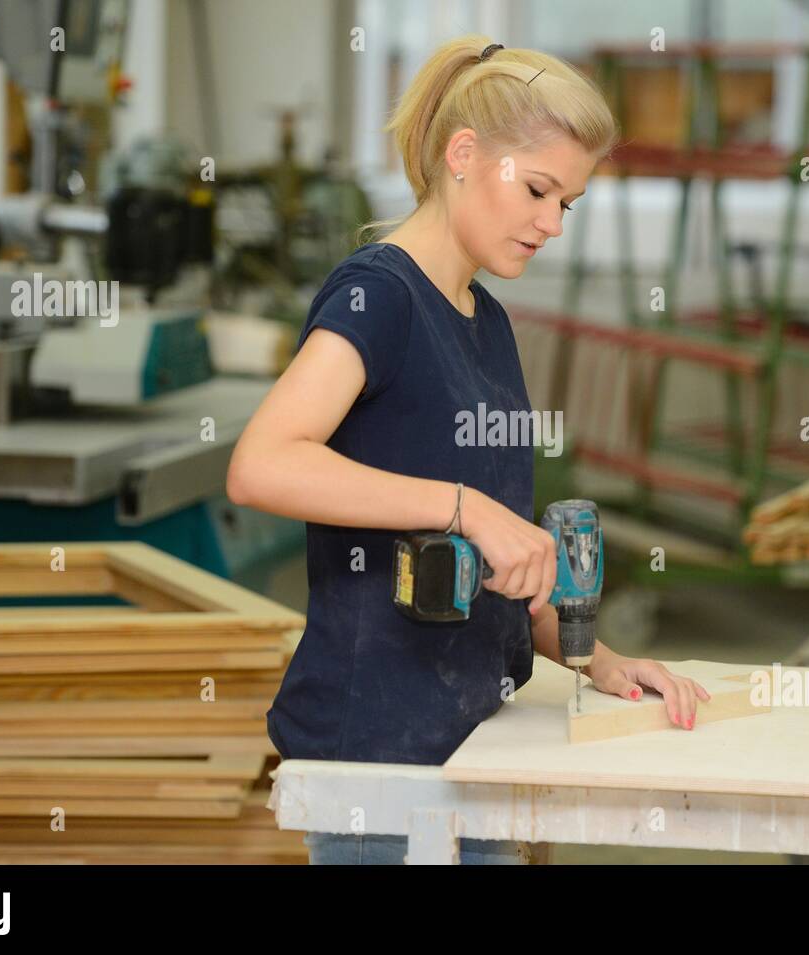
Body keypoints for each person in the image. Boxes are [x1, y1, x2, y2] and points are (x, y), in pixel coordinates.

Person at [227, 35, 710, 866]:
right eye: (538, 190)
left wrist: (601, 662)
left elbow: (503, 569)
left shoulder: (487, 323)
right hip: (376, 753)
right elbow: (262, 462)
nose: (553, 223)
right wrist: (465, 506)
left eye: (570, 203)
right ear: (462, 155)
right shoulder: (379, 295)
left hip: (474, 739)